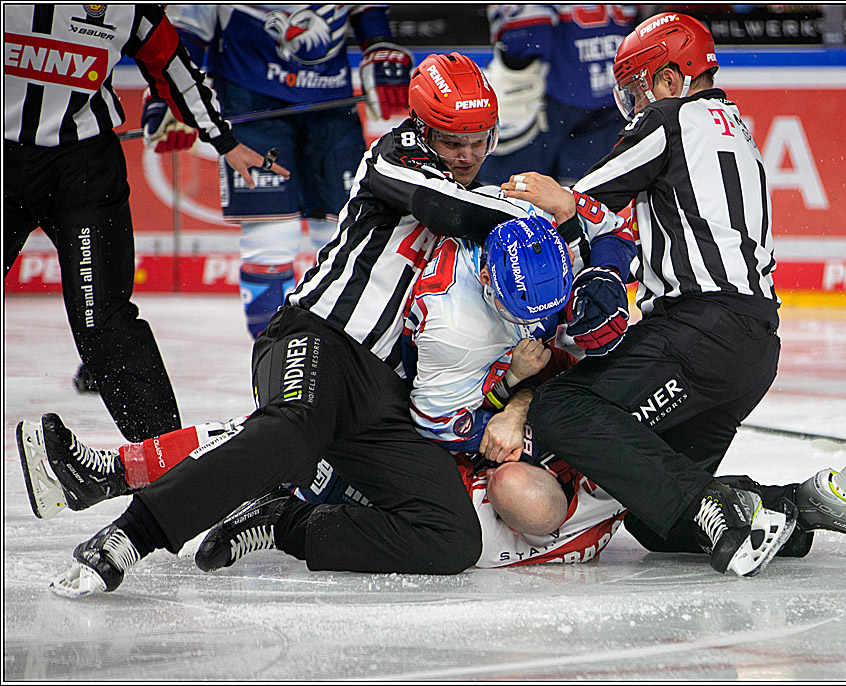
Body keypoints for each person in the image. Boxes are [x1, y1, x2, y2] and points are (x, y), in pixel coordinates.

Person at [30, 53, 622, 597]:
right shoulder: (396, 158)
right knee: (294, 429)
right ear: (420, 127)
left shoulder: (483, 199)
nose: (467, 155)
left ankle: (287, 520)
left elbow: (577, 247)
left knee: (452, 536)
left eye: (478, 141)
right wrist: (561, 216)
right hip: (318, 336)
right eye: (451, 140)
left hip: (384, 390)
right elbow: (450, 207)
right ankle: (129, 535)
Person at [500, 13, 846, 575]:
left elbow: (580, 200)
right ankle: (811, 500)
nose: (635, 105)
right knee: (657, 519)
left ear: (672, 79)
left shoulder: (668, 120)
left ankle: (717, 508)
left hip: (700, 331)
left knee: (563, 409)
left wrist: (542, 200)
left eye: (640, 89)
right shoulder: (736, 129)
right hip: (752, 346)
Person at [16, 218, 626, 568]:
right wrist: (511, 389)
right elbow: (443, 425)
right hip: (378, 375)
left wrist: (519, 396)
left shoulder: (539, 268)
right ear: (491, 280)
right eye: (520, 313)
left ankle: (261, 512)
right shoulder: (455, 327)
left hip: (412, 396)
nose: (535, 329)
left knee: (313, 456)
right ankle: (120, 472)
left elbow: (598, 263)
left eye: (542, 316)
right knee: (297, 439)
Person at [4, 4, 289, 443]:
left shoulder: (131, 9)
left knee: (105, 322)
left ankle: (168, 469)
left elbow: (175, 69)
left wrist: (224, 140)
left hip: (83, 170)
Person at [159, 5, 413, 338]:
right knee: (270, 237)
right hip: (250, 97)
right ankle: (275, 350)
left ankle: (341, 347)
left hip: (330, 102)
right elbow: (187, 26)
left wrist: (379, 43)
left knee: (344, 232)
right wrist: (171, 95)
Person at [477, 4, 638, 186]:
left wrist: (518, 64)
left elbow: (526, 35)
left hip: (557, 92)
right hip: (611, 91)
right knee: (582, 191)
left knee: (509, 190)